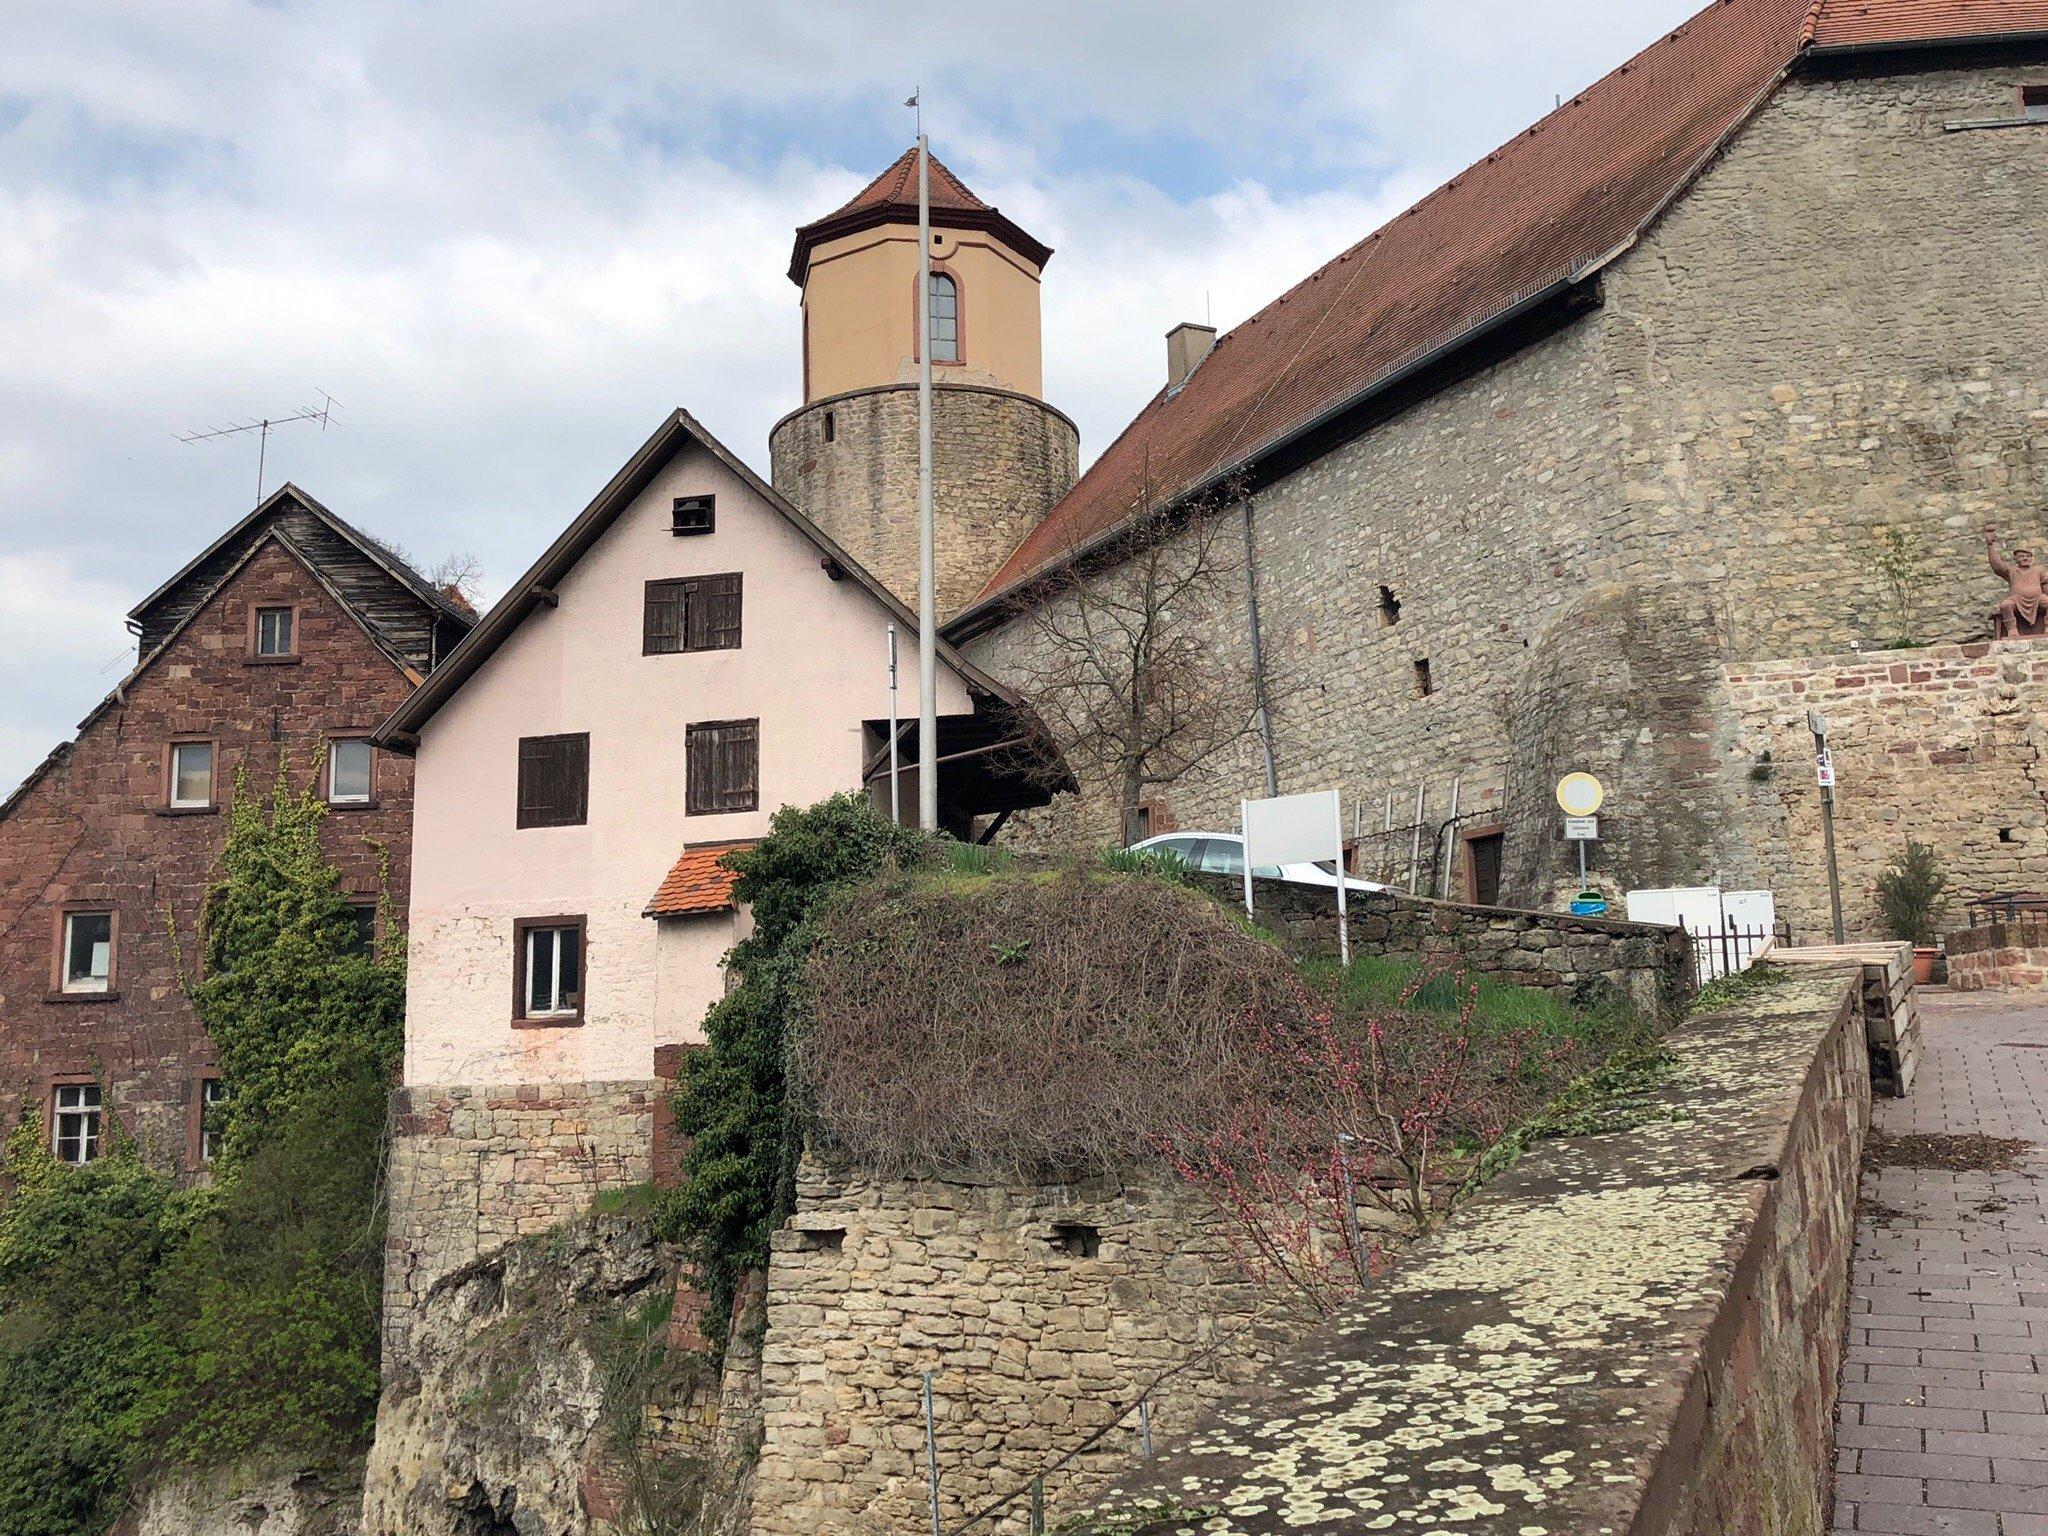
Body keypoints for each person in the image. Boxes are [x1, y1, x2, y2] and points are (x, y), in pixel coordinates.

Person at [1986, 528, 2047, 638]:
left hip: (2038, 598)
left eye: (2028, 556)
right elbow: (1997, 566)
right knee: (2005, 605)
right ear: (2016, 558)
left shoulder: (2038, 571)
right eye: (2022, 556)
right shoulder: (2011, 571)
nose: (2025, 558)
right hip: (2017, 599)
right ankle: (2012, 630)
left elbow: (2046, 583)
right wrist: (1990, 545)